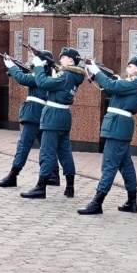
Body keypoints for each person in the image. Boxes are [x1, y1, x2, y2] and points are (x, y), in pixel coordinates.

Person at [77, 56, 137, 215]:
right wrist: (112, 79)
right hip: (120, 125)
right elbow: (114, 87)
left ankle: (97, 202)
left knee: (109, 165)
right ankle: (131, 202)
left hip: (117, 126)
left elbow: (109, 85)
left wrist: (96, 70)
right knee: (125, 165)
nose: (127, 69)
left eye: (130, 67)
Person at [20, 47, 86, 200]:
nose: (60, 60)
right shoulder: (74, 76)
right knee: (64, 152)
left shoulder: (66, 75)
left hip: (53, 116)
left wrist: (37, 65)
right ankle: (70, 187)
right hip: (63, 115)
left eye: (63, 58)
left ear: (71, 61)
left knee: (47, 152)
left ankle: (40, 187)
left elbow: (42, 82)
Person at [0, 52, 60, 188]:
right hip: (44, 115)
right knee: (47, 147)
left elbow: (23, 79)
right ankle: (53, 176)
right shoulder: (49, 77)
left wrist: (12, 67)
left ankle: (13, 175)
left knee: (23, 145)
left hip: (33, 114)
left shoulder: (39, 77)